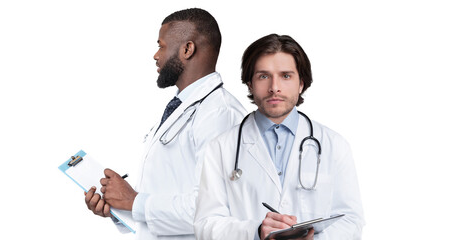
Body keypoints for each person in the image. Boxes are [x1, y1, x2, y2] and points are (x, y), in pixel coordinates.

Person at [84, 8, 246, 240]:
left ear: (187, 49)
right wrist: (117, 206)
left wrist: (134, 201)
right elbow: (169, 191)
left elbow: (217, 207)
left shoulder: (220, 113)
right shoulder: (184, 106)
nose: (155, 55)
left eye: (161, 45)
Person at [194, 34, 365, 240]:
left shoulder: (334, 145)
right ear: (250, 84)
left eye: (286, 76)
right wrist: (256, 231)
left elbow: (351, 220)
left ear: (301, 83)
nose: (274, 87)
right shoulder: (221, 147)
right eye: (263, 76)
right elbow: (206, 224)